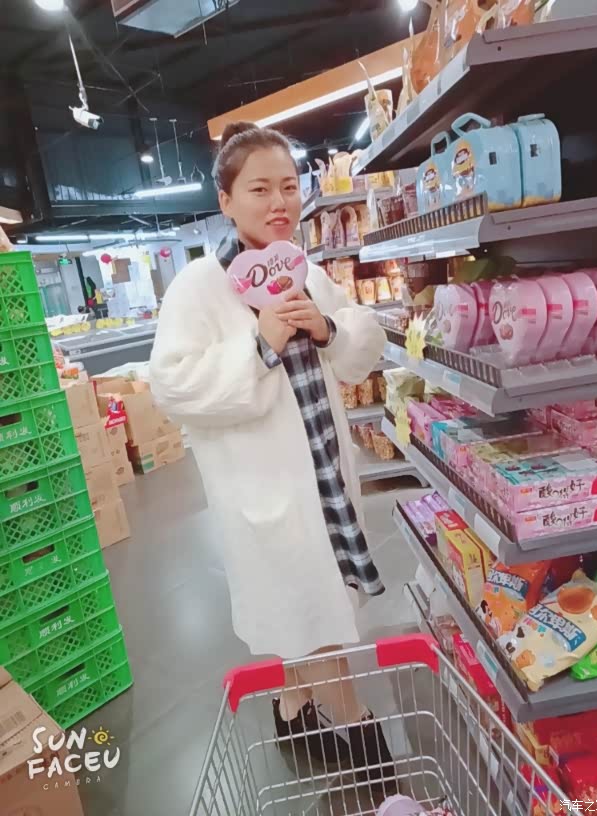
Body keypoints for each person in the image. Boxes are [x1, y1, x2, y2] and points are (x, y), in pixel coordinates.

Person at [149, 122, 393, 781]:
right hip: (262, 492)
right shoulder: (200, 286)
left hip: (326, 475)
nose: (279, 202)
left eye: (288, 186)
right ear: (226, 200)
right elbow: (171, 385)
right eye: (259, 189)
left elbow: (362, 346)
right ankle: (361, 731)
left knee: (307, 607)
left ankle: (290, 709)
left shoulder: (304, 269)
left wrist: (329, 327)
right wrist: (258, 345)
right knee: (310, 615)